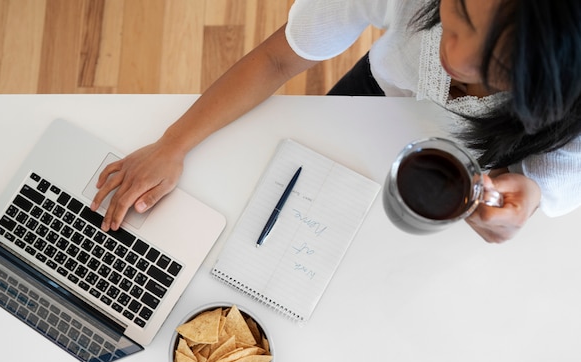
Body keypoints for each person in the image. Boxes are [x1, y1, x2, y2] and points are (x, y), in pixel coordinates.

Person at [90, 0, 581, 243]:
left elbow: (552, 173)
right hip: (367, 101)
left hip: (486, 163)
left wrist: (529, 195)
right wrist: (173, 142)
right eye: (456, 19)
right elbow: (278, 60)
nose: (453, 58)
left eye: (497, 68)